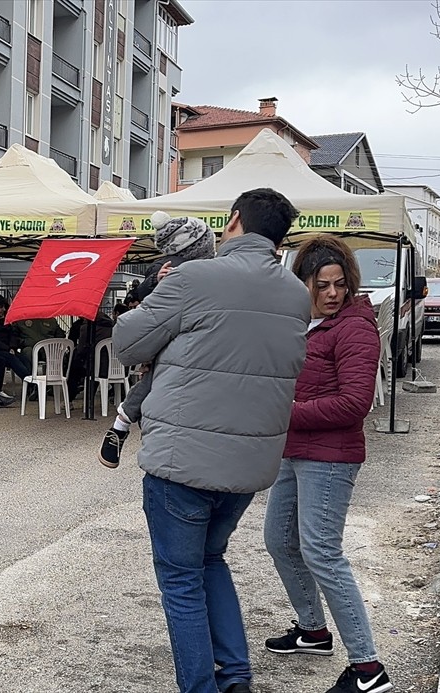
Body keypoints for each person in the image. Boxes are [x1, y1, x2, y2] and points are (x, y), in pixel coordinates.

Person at [112, 188, 312, 693]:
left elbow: (126, 343)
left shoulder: (195, 277)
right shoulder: (294, 294)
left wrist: (157, 295)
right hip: (249, 466)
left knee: (181, 582)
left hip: (183, 461)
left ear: (234, 220)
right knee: (210, 560)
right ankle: (237, 677)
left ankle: (201, 687)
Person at [263, 237, 391, 693]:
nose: (333, 293)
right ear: (304, 285)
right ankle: (313, 631)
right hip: (295, 451)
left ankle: (368, 668)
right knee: (279, 540)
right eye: (322, 285)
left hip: (330, 458)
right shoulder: (309, 322)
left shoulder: (354, 328)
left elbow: (355, 403)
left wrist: (285, 410)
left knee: (322, 552)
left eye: (339, 284)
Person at [98, 213, 217, 468]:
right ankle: (122, 424)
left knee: (157, 378)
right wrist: (158, 282)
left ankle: (121, 425)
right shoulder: (172, 268)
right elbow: (143, 301)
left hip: (180, 340)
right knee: (158, 375)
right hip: (176, 339)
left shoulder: (202, 271)